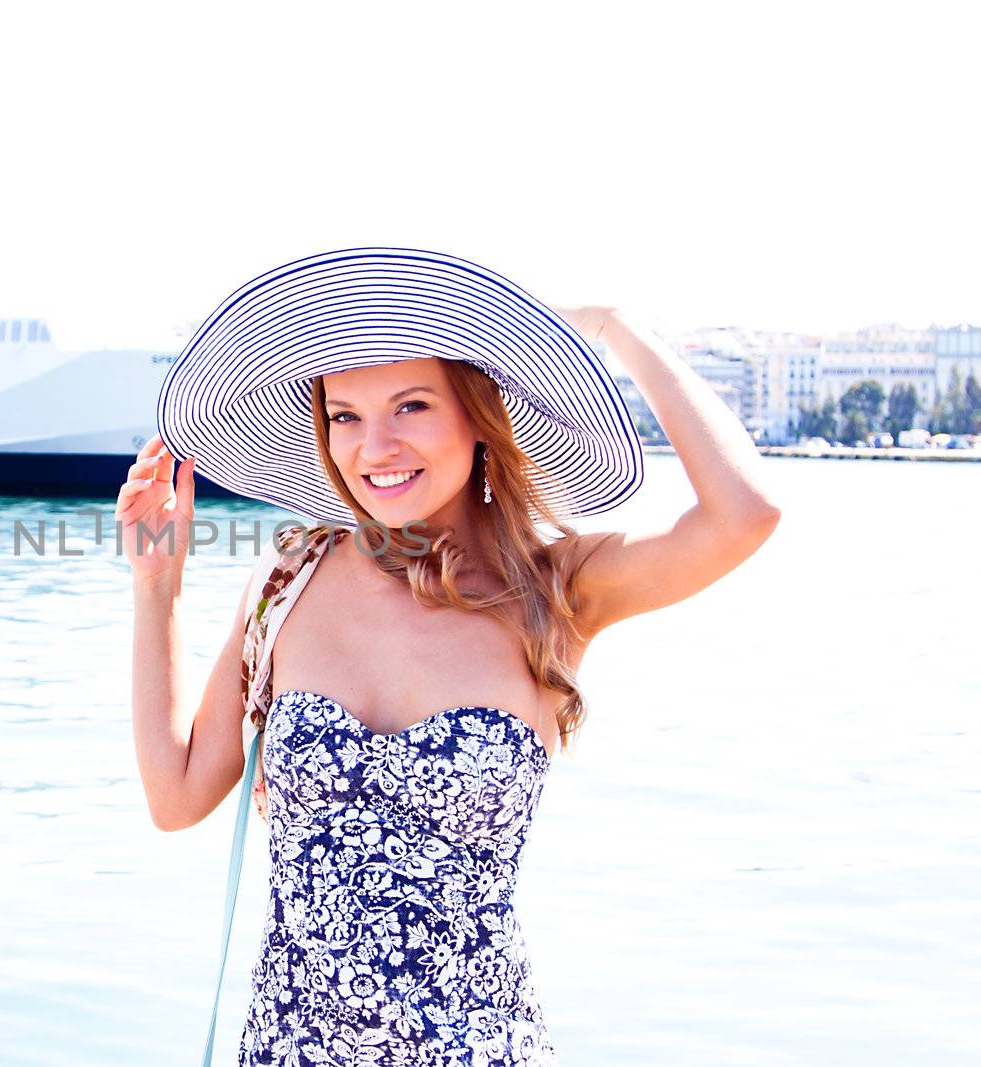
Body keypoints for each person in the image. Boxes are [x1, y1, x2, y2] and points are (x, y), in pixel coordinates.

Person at [118, 248, 781, 1065]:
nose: (375, 446)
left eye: (411, 405)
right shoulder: (294, 574)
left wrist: (622, 332)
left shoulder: (554, 589)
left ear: (478, 413)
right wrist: (157, 586)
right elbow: (177, 795)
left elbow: (745, 514)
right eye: (345, 415)